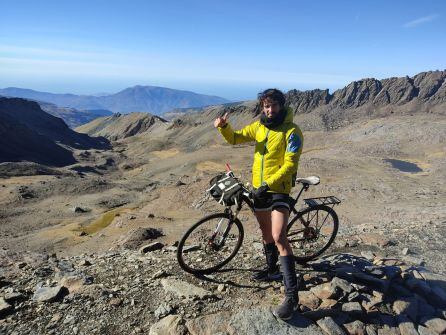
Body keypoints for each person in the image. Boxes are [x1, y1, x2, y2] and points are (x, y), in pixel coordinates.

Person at [214, 88, 304, 320]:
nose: (269, 110)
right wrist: (224, 128)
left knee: (279, 237)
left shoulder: (292, 132)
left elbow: (290, 165)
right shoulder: (259, 126)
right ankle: (273, 270)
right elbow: (235, 138)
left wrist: (268, 183)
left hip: (278, 190)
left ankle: (292, 298)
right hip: (259, 188)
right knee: (265, 233)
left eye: (273, 106)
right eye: (266, 106)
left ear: (281, 106)